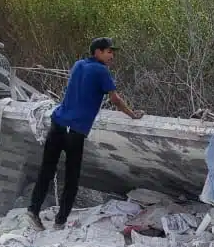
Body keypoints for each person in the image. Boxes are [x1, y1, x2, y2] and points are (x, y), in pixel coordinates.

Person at [28, 37, 143, 230]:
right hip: (75, 130)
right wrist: (133, 115)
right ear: (97, 52)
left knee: (47, 170)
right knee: (72, 178)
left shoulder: (78, 64)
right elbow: (114, 98)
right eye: (108, 52)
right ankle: (60, 221)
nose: (112, 56)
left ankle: (33, 210)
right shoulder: (102, 71)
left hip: (58, 123)